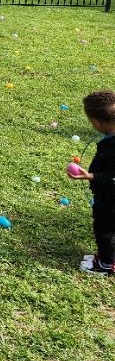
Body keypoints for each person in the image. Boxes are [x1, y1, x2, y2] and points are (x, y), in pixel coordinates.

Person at [72, 90, 115, 275]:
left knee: (105, 229)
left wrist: (92, 176)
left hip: (111, 200)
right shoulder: (110, 140)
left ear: (97, 122)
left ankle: (106, 265)